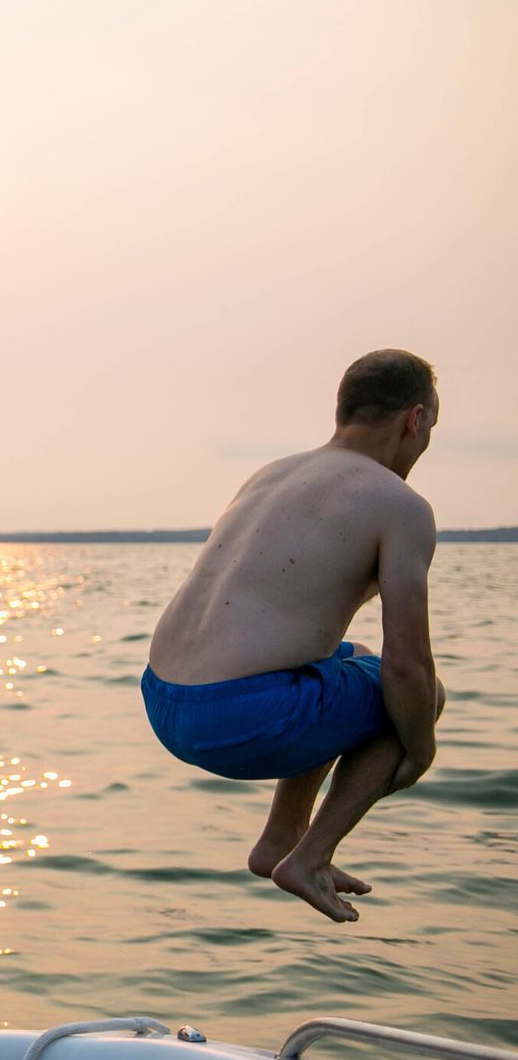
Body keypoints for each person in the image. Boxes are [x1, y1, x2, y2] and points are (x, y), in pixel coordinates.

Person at [143, 349, 444, 923]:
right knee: (419, 694)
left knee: (347, 660)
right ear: (415, 420)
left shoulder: (273, 473)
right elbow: (410, 667)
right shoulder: (400, 505)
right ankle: (311, 855)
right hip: (238, 718)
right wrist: (421, 747)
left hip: (162, 700)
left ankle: (281, 839)